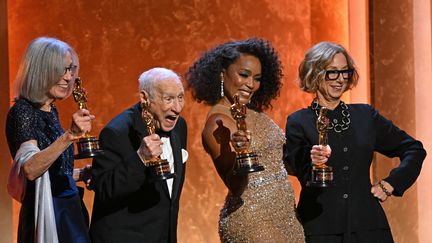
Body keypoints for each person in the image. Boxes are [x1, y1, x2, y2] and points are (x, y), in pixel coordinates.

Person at [284, 41, 427, 243]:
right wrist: (312, 162)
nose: (340, 79)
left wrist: (391, 184)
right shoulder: (298, 121)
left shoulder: (365, 116)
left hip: (369, 227)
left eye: (345, 72)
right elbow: (299, 170)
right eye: (332, 72)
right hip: (321, 229)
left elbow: (414, 149)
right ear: (314, 73)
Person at [186, 38, 305, 242]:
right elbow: (236, 185)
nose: (251, 85)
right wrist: (242, 152)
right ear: (222, 74)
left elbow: (279, 163)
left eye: (257, 78)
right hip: (253, 220)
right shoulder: (218, 123)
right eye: (244, 75)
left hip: (287, 217)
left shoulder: (251, 112)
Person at [5, 37, 94, 243]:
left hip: (69, 210)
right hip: (50, 213)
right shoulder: (23, 112)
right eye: (61, 70)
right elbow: (30, 169)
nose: (68, 77)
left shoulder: (50, 110)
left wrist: (81, 174)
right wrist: (69, 135)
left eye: (71, 69)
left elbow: (52, 173)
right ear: (41, 71)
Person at [89, 67, 188, 243]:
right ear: (145, 98)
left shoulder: (179, 127)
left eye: (180, 97)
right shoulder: (116, 132)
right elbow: (104, 190)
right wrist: (140, 158)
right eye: (169, 99)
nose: (178, 108)